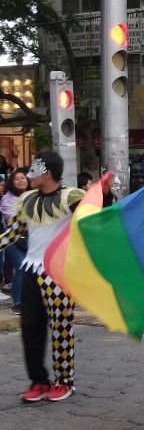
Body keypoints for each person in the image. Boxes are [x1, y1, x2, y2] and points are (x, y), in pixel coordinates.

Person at [0, 151, 85, 401]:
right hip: (30, 271)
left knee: (60, 328)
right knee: (29, 328)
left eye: (34, 169)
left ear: (46, 172)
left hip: (58, 273)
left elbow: (95, 222)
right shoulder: (27, 200)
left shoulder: (71, 197)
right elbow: (13, 233)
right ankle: (39, 381)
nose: (28, 174)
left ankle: (64, 381)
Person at [1, 168, 31, 314]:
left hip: (32, 237)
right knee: (21, 266)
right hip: (12, 237)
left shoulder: (34, 195)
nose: (20, 181)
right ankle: (18, 302)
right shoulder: (7, 198)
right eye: (16, 179)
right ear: (12, 182)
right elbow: (12, 218)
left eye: (23, 178)